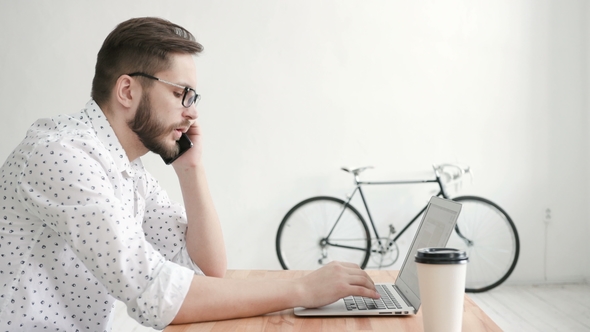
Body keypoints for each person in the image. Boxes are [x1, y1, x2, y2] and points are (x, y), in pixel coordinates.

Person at [0, 17, 378, 331]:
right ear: (127, 91)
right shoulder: (62, 157)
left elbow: (204, 270)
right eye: (183, 93)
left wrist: (191, 170)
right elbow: (157, 294)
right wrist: (302, 289)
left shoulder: (126, 170)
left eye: (194, 98)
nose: (192, 112)